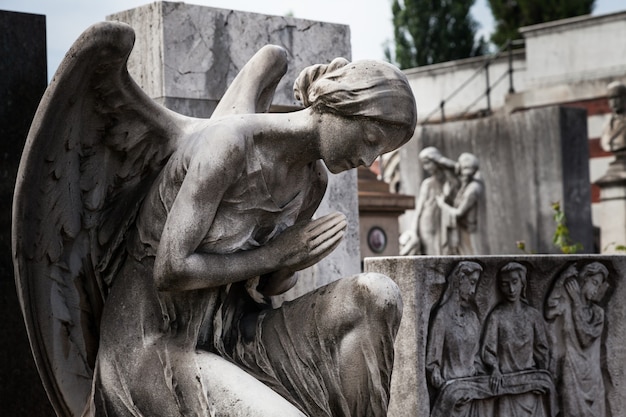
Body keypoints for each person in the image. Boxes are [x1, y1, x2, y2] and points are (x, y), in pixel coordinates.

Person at [83, 43, 417, 417]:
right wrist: (279, 254)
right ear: (339, 105)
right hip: (158, 345)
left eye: (380, 154)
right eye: (370, 140)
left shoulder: (312, 183)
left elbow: (266, 288)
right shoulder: (231, 145)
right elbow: (171, 269)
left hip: (235, 333)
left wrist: (291, 264)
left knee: (377, 294)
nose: (368, 160)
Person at [481, 262, 550, 417]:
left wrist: (541, 377)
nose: (511, 289)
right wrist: (495, 369)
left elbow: (542, 351)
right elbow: (488, 351)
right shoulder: (496, 316)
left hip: (530, 388)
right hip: (506, 387)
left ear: (522, 283)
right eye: (505, 284)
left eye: (514, 282)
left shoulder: (533, 316)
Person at [545, 262, 609, 417]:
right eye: (593, 282)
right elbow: (549, 311)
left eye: (598, 285)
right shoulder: (566, 304)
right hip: (571, 373)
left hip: (593, 378)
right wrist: (561, 279)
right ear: (583, 279)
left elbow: (585, 337)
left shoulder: (598, 314)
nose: (595, 290)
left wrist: (577, 301)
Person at [426, 261, 483, 416]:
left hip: (472, 396)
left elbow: (477, 358)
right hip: (451, 399)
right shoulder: (442, 317)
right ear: (460, 279)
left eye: (475, 284)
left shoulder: (472, 318)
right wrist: (439, 378)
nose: (473, 290)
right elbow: (432, 364)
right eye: (471, 283)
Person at [399, 146, 456, 255]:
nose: (425, 167)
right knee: (431, 253)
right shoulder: (427, 184)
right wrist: (414, 230)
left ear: (435, 161)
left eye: (427, 163)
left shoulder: (449, 180)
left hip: (441, 220)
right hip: (428, 222)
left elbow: (457, 170)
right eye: (424, 164)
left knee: (443, 252)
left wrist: (441, 160)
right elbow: (419, 209)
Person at [436, 153, 485, 255]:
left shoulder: (473, 189)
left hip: (470, 232)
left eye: (463, 171)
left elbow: (459, 213)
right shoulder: (468, 185)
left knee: (472, 256)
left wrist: (442, 205)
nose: (462, 176)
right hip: (465, 230)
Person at [601, 81, 626, 154]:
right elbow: (605, 143)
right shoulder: (606, 124)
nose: (614, 102)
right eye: (611, 98)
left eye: (617, 97)